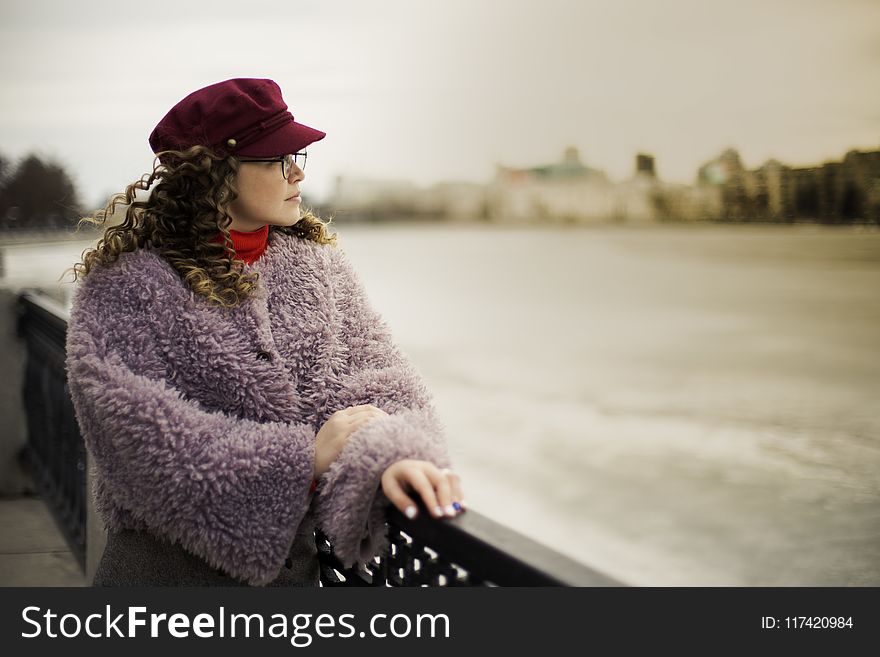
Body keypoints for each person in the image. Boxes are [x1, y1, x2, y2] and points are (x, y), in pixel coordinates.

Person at [63, 77, 464, 586]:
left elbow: (377, 377)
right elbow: (133, 434)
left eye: (298, 155)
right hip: (166, 580)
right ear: (216, 172)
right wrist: (304, 459)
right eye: (277, 158)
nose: (297, 171)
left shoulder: (319, 268)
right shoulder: (128, 282)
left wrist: (391, 454)